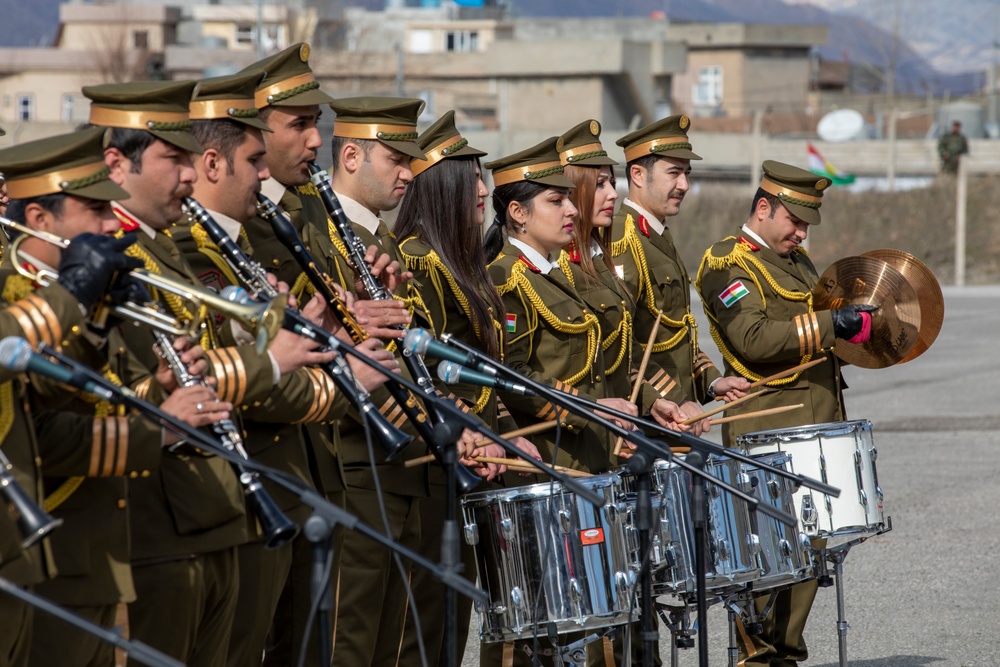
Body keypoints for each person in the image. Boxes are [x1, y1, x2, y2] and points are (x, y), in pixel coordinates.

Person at [83, 78, 329, 667]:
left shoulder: (164, 252)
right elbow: (137, 387)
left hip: (213, 513)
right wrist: (269, 357)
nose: (191, 176)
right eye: (174, 160)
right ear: (117, 164)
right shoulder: (113, 258)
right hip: (157, 523)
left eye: (193, 161)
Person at [172, 68, 400, 667]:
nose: (309, 142)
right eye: (297, 125)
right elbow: (211, 378)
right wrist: (341, 376)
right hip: (230, 495)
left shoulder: (260, 234)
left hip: (293, 479)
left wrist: (327, 332)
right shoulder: (191, 256)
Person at [0, 127, 233, 667]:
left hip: (95, 560)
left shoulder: (65, 303)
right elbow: (44, 434)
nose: (112, 225)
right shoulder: (16, 296)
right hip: (49, 560)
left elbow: (81, 398)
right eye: (95, 212)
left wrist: (111, 340)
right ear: (40, 220)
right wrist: (161, 428)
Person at [694, 160, 876, 667]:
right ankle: (757, 658)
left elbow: (820, 331)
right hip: (766, 432)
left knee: (807, 561)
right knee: (767, 564)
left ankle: (784, 657)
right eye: (793, 221)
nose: (800, 232)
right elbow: (752, 339)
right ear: (761, 208)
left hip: (812, 428)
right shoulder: (727, 262)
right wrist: (828, 323)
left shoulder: (797, 262)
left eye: (806, 224)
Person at [395, 110, 538, 666]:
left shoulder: (457, 262)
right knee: (425, 631)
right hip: (433, 464)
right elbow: (423, 374)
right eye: (469, 177)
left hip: (469, 462)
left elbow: (483, 379)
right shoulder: (418, 260)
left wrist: (505, 436)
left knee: (451, 624)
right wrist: (481, 437)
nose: (482, 189)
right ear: (441, 188)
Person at [611, 115, 749, 434]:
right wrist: (672, 398)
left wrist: (712, 381)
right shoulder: (623, 241)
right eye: (674, 173)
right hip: (648, 417)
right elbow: (620, 344)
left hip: (677, 417)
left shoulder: (658, 238)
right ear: (637, 174)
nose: (684, 185)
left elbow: (676, 334)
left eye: (686, 174)